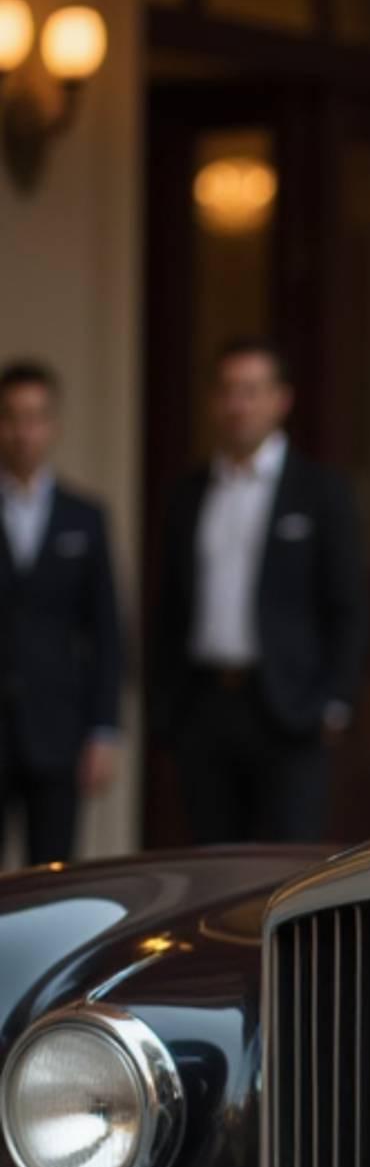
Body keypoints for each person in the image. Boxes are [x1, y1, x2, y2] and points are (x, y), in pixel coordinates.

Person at [148, 336, 367, 843]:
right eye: (227, 391)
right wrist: (166, 707)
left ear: (280, 399)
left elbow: (348, 604)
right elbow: (168, 606)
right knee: (212, 863)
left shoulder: (320, 491)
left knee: (287, 862)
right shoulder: (188, 492)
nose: (237, 404)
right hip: (204, 706)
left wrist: (335, 700)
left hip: (289, 708)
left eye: (250, 391)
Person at [0, 358, 125, 866]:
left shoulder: (84, 516)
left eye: (35, 418)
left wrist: (103, 729)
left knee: (53, 877)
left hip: (57, 729)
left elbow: (107, 629)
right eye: (12, 417)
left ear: (53, 426)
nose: (23, 432)